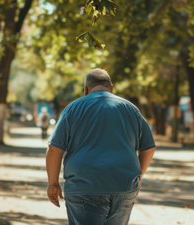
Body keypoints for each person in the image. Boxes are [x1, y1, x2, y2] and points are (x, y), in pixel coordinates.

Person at [46, 68, 156, 225]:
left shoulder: (73, 109)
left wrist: (53, 184)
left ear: (85, 90)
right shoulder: (131, 109)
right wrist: (138, 177)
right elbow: (149, 148)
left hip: (84, 187)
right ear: (111, 88)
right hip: (124, 187)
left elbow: (54, 148)